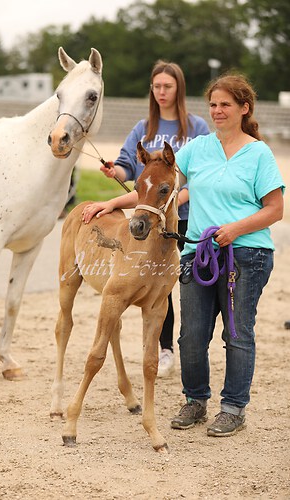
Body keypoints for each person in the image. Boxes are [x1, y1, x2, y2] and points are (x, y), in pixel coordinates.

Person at [170, 73, 285, 437]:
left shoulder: (258, 153)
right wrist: (115, 199)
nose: (217, 111)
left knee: (237, 333)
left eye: (226, 105)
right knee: (191, 335)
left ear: (244, 108)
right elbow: (163, 184)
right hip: (198, 252)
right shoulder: (197, 148)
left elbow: (275, 209)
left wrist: (235, 229)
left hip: (246, 254)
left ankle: (234, 407)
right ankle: (195, 400)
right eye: (213, 105)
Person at [92, 59, 209, 377]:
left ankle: (196, 347)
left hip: (188, 219)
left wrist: (176, 199)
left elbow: (202, 175)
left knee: (192, 286)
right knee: (161, 287)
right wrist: (113, 171)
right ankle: (166, 348)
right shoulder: (143, 129)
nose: (161, 91)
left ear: (178, 89)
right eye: (156, 86)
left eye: (167, 86)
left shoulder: (196, 128)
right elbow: (128, 167)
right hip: (153, 222)